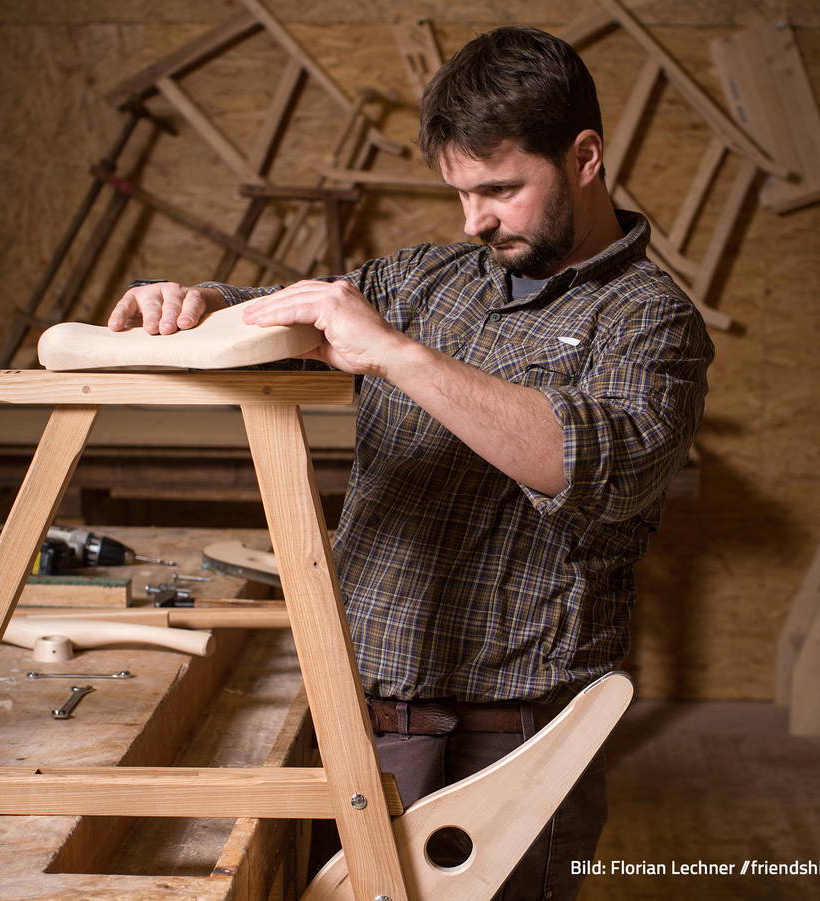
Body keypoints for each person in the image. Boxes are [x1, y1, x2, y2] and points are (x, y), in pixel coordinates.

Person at [108, 26, 714, 899]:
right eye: (461, 193)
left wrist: (396, 354)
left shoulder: (649, 320)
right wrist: (201, 302)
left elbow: (594, 468)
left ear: (584, 156)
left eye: (501, 188)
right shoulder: (430, 279)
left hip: (506, 734)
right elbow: (301, 312)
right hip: (357, 702)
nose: (476, 221)